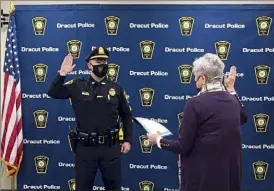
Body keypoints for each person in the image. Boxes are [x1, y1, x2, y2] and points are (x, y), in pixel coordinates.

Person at [147, 53, 248, 191]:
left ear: (202, 78)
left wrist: (158, 140)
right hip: (228, 180)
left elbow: (183, 146)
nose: (195, 82)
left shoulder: (194, 103)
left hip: (203, 180)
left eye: (196, 78)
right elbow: (244, 117)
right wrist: (231, 88)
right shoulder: (232, 101)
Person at [47, 47, 133, 191]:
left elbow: (126, 115)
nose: (101, 64)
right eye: (97, 60)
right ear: (89, 65)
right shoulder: (77, 86)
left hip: (110, 148)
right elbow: (53, 92)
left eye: (104, 60)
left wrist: (128, 140)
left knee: (114, 187)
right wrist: (62, 74)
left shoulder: (116, 89)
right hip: (86, 149)